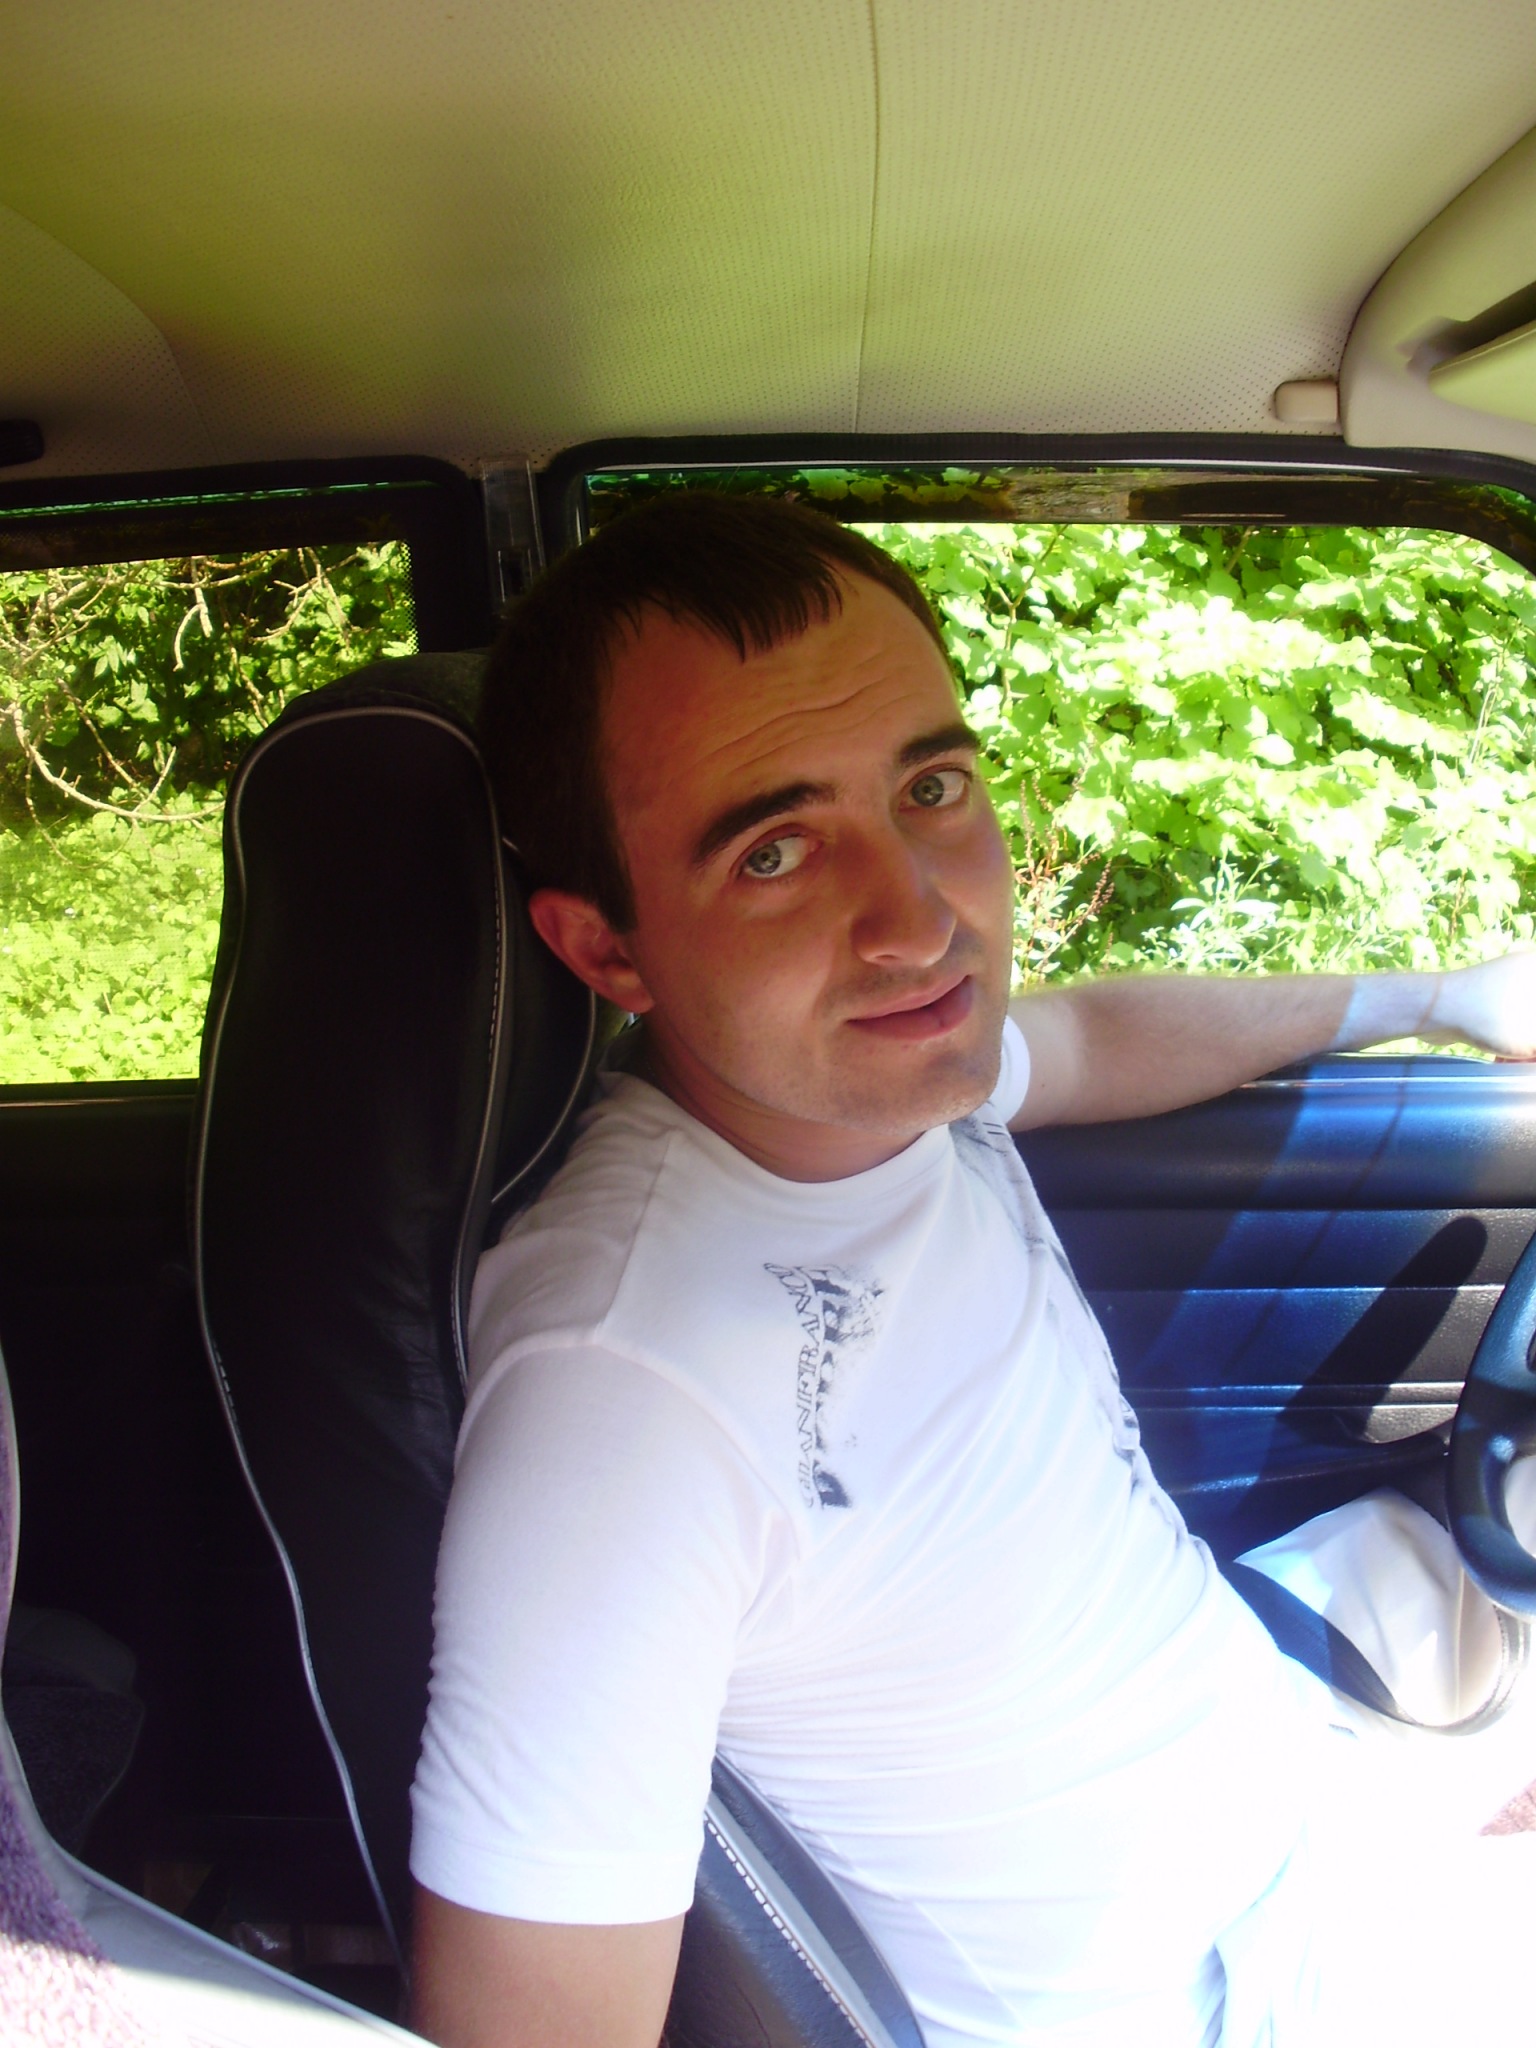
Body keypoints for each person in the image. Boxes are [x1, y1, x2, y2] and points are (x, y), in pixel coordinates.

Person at [406, 492, 1536, 2048]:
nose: (921, 919)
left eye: (929, 788)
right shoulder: (624, 1402)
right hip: (1232, 1992)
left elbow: (1091, 1039)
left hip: (1284, 1761)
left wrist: (1442, 996)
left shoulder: (869, 1083)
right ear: (606, 950)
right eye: (776, 851)